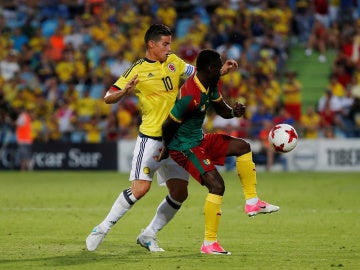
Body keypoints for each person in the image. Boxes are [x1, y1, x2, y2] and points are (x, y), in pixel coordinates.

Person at [85, 24, 239, 252]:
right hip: (151, 139)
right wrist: (124, 92)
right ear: (152, 44)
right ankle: (103, 227)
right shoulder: (136, 69)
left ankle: (148, 235)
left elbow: (200, 76)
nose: (169, 48)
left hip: (176, 141)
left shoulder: (174, 62)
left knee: (180, 192)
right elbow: (108, 97)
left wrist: (221, 70)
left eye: (170, 44)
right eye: (165, 44)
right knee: (140, 189)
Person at [155, 49, 279, 255]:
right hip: (184, 147)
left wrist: (233, 112)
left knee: (243, 147)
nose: (221, 68)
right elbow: (167, 126)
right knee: (217, 185)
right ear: (210, 69)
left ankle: (252, 202)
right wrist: (165, 150)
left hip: (199, 139)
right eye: (218, 66)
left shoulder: (209, 82)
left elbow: (221, 109)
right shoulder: (190, 96)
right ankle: (209, 243)